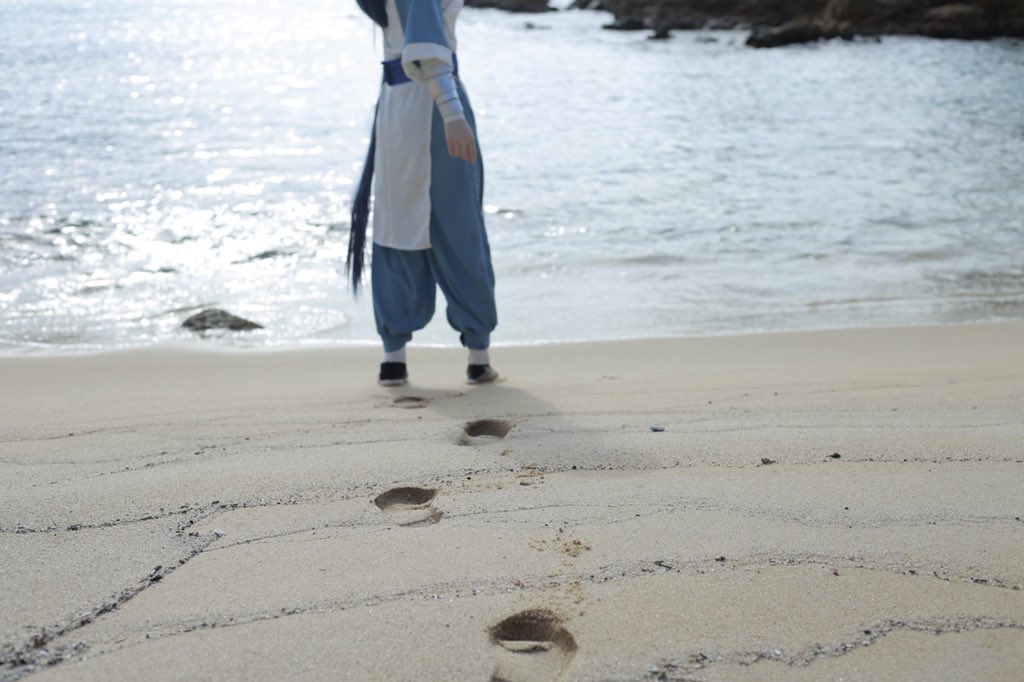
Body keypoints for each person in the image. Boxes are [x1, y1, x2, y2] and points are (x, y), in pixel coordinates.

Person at [348, 0, 498, 387]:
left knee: (397, 225)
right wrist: (453, 113)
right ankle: (478, 357)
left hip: (395, 108)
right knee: (458, 225)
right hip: (433, 107)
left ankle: (393, 359)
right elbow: (426, 50)